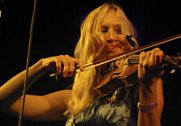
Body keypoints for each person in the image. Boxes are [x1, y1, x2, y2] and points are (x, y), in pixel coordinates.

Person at [0, 2, 165, 126]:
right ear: (89, 41)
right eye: (104, 30)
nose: (113, 37)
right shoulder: (75, 99)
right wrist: (41, 65)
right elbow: (3, 101)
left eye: (119, 30)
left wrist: (147, 85)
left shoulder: (139, 80)